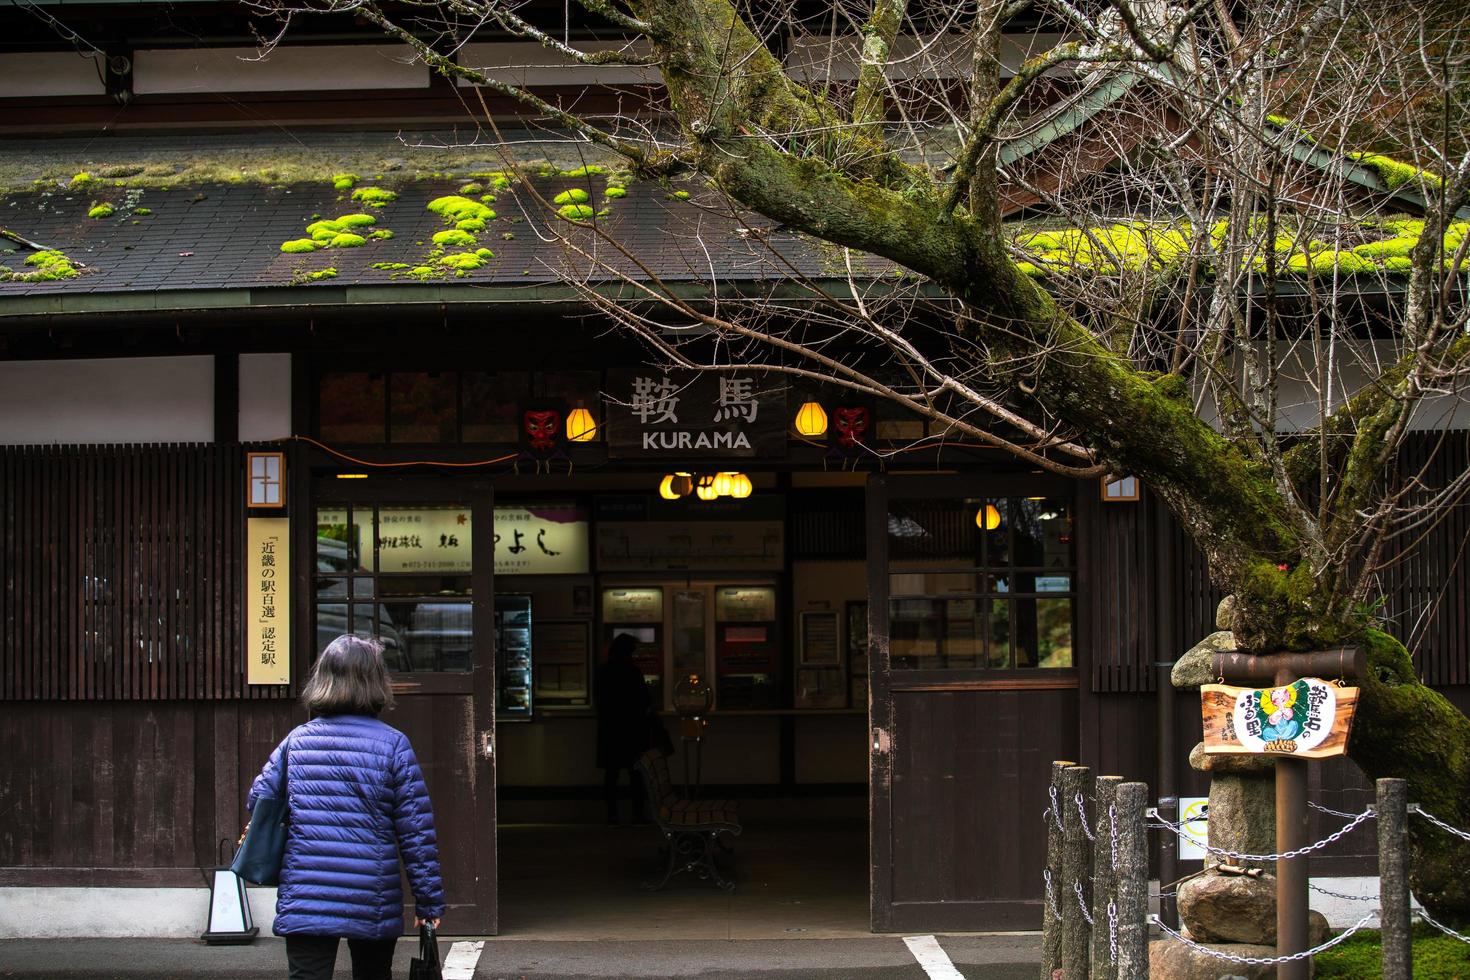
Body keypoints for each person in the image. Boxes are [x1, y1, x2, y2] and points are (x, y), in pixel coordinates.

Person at [246, 634, 444, 980]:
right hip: (371, 891)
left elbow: (259, 798)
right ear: (376, 683)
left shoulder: (298, 740)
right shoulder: (393, 745)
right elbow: (416, 832)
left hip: (307, 889)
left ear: (323, 679)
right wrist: (428, 902)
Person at [594, 632, 653, 825]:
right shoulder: (633, 672)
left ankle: (612, 814)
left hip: (611, 729)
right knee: (635, 773)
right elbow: (644, 701)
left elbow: (600, 702)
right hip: (632, 729)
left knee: (611, 774)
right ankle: (638, 812)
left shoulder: (603, 671)